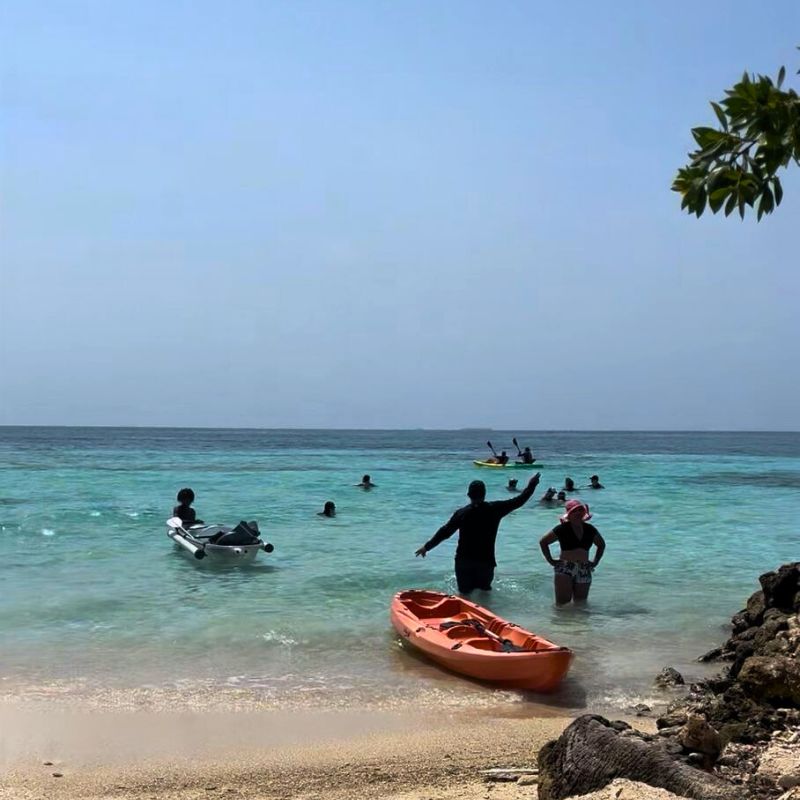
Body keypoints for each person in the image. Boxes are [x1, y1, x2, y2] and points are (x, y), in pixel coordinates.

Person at [415, 472, 541, 594]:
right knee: (485, 594)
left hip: (464, 562)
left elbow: (445, 532)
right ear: (484, 494)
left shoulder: (462, 513)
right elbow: (520, 500)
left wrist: (427, 547)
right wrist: (532, 485)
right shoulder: (495, 509)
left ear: (469, 494)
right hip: (485, 562)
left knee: (464, 596)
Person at [539, 499, 605, 605]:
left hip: (584, 568)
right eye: (575, 511)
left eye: (580, 510)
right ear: (569, 514)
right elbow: (543, 542)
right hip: (565, 568)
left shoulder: (590, 529)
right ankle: (560, 622)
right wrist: (550, 560)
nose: (578, 513)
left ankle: (578, 622)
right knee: (562, 604)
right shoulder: (562, 529)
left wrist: (595, 562)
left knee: (581, 605)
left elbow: (601, 545)